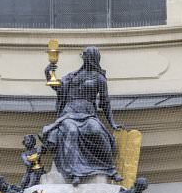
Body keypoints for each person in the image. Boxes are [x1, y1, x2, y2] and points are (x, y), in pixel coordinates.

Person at [42, 46, 124, 185]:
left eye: (85, 55)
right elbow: (57, 87)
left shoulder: (99, 78)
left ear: (92, 57)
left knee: (97, 131)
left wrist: (112, 123)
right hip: (69, 113)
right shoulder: (72, 75)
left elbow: (105, 102)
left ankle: (110, 169)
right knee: (71, 132)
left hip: (88, 114)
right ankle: (73, 173)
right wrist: (48, 73)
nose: (83, 57)